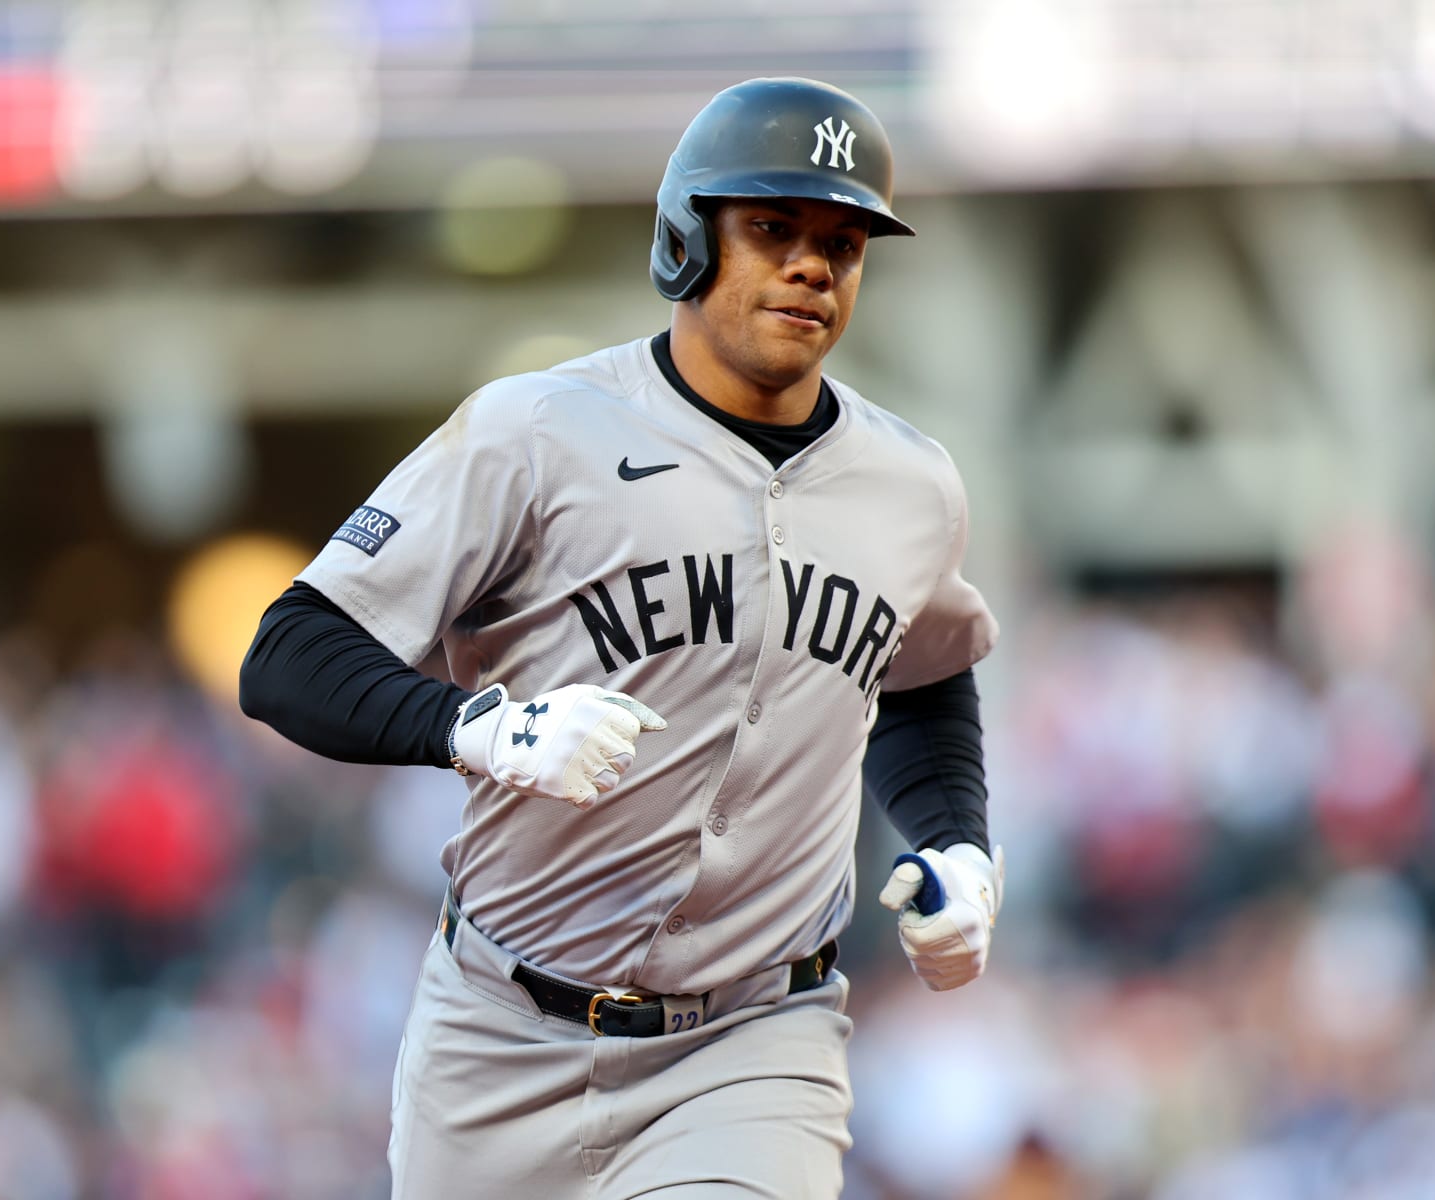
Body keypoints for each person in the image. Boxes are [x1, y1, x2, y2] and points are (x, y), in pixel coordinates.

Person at [239, 76, 1003, 1199]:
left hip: (751, 1045)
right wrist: (480, 730)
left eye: (843, 242)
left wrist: (959, 847)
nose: (811, 266)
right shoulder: (537, 432)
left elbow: (923, 678)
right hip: (498, 1034)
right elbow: (291, 653)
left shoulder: (910, 485)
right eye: (773, 228)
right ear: (687, 240)